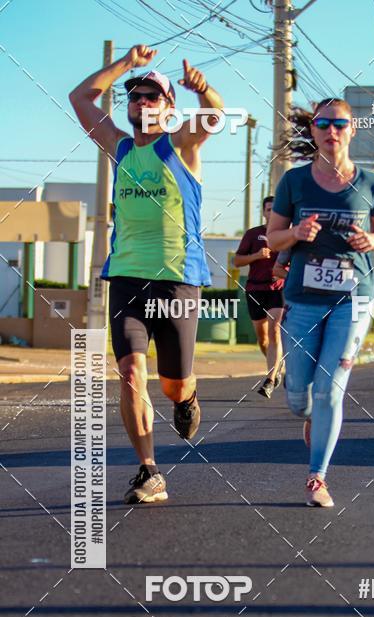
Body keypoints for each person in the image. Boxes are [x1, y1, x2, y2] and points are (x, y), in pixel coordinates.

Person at [70, 45, 223, 503]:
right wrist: (125, 66)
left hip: (178, 279)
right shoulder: (118, 146)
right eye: (135, 96)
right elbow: (80, 99)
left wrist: (204, 90)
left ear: (168, 107)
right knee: (130, 371)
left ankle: (186, 398)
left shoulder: (179, 144)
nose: (141, 102)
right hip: (127, 277)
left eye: (151, 96)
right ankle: (149, 471)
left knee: (173, 383)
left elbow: (214, 116)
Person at [267, 97, 374, 507]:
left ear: (352, 130)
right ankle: (309, 414)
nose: (332, 131)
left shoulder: (371, 184)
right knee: (300, 397)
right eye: (324, 124)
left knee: (330, 390)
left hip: (353, 299)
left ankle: (317, 478)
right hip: (303, 298)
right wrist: (296, 234)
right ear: (314, 131)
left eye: (340, 124)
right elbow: (272, 239)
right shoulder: (293, 182)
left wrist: (370, 241)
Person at [233, 197, 285, 399]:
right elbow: (236, 261)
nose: (272, 213)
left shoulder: (286, 235)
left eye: (276, 209)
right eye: (269, 209)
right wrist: (256, 256)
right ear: (264, 212)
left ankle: (270, 379)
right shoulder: (253, 234)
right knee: (263, 339)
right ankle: (277, 366)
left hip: (278, 289)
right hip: (255, 289)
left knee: (275, 331)